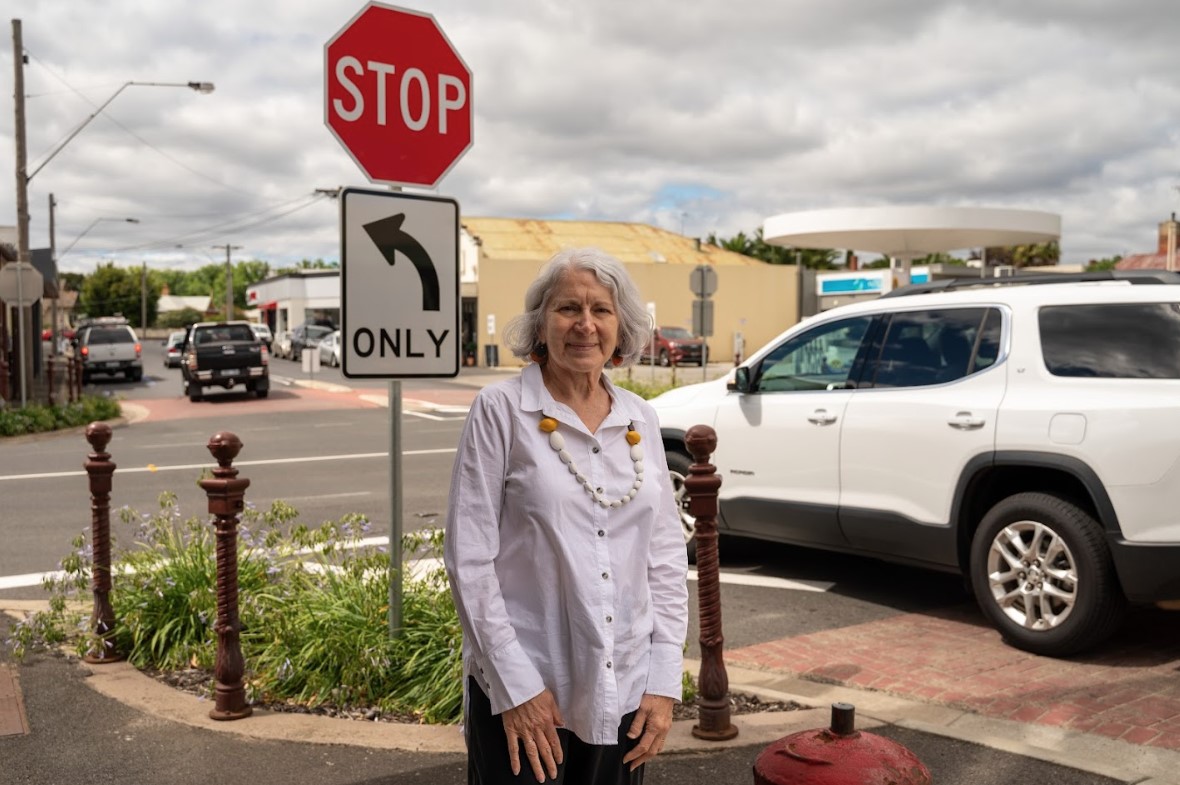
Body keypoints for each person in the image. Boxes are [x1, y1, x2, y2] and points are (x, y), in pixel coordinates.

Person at [444, 247, 689, 784]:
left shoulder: (639, 418)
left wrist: (663, 681)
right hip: (531, 692)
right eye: (567, 309)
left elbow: (666, 559)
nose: (585, 325)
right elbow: (469, 559)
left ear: (620, 326)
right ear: (539, 324)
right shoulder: (501, 411)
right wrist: (517, 688)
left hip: (627, 690)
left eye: (601, 310)